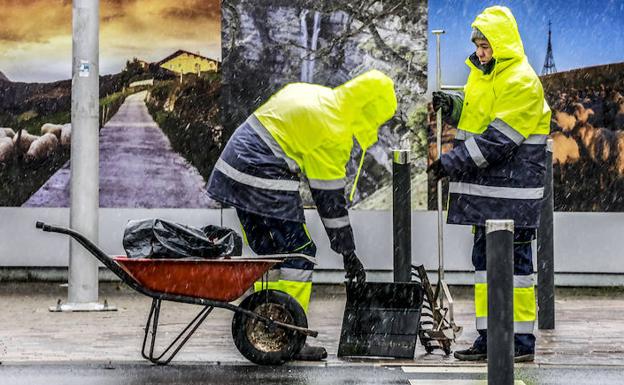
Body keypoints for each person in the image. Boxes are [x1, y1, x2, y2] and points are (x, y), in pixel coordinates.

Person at [207, 69, 397, 361]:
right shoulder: (334, 129)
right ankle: (289, 334)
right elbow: (329, 201)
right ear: (368, 111)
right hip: (261, 173)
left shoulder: (316, 95)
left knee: (271, 254)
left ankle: (264, 328)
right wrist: (348, 253)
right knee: (299, 252)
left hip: (233, 173)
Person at [428, 5, 551, 363]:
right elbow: (478, 116)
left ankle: (520, 342)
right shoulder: (484, 76)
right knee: (484, 264)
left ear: (502, 44)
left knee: (517, 269)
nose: (480, 53)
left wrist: (451, 162)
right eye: (478, 46)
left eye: (486, 46)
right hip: (491, 193)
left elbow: (497, 140)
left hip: (512, 195)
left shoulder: (522, 81)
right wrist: (453, 106)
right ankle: (490, 336)